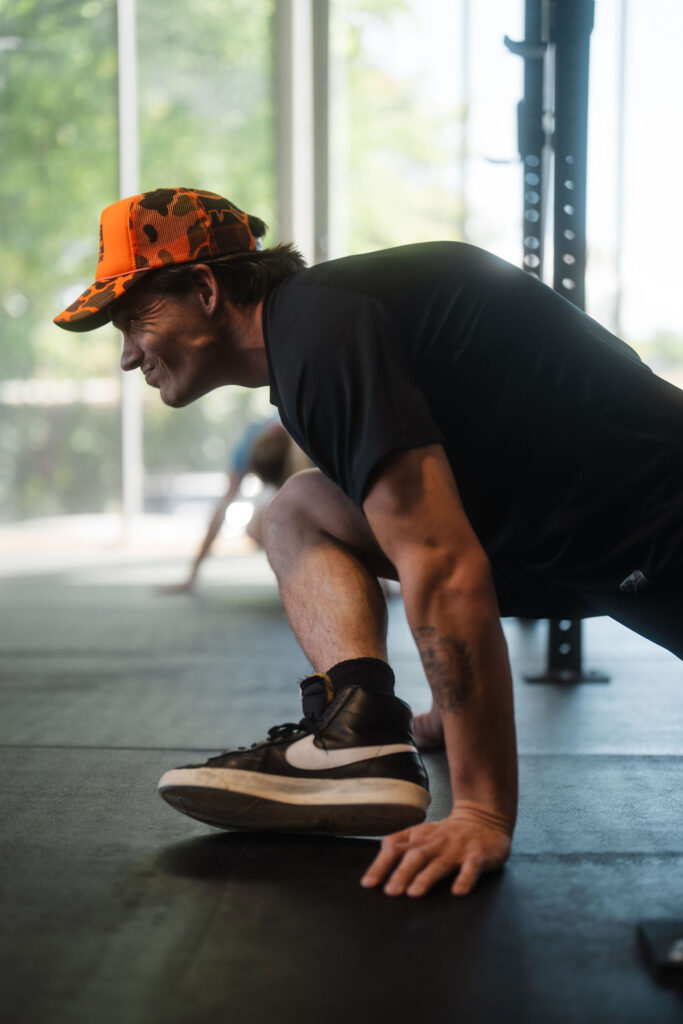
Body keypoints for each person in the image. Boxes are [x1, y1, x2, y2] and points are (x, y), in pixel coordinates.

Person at [54, 187, 683, 899]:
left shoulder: (322, 329)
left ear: (203, 288)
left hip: (657, 540)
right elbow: (460, 511)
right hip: (569, 545)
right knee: (301, 508)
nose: (129, 355)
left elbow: (443, 562)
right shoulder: (313, 339)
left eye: (133, 319)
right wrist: (456, 711)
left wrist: (479, 812)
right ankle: (360, 729)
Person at [159, 416, 311, 594]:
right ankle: (295, 577)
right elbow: (222, 508)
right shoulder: (247, 447)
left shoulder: (306, 443)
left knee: (297, 512)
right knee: (262, 526)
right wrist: (193, 573)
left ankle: (308, 577)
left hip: (307, 467)